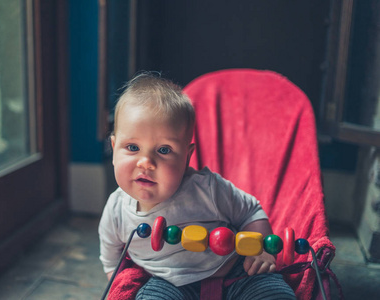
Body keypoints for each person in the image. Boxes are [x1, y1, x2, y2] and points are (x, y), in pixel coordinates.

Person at [99, 72, 296, 299]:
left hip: (236, 272)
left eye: (164, 150)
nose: (146, 163)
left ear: (187, 157)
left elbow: (251, 211)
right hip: (167, 283)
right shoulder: (115, 210)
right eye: (133, 147)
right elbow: (111, 260)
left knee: (274, 293)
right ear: (114, 148)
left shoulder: (207, 188)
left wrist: (261, 250)